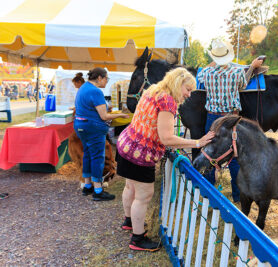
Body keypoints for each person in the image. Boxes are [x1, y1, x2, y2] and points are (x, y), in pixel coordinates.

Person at [116, 67, 214, 252]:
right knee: (143, 196)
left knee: (130, 187)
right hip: (141, 153)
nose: (189, 94)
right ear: (178, 84)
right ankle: (137, 238)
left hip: (127, 143)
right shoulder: (168, 102)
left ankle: (129, 221)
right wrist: (197, 142)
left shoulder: (153, 90)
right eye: (188, 89)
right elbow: (167, 138)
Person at [197, 38, 264, 203]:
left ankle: (209, 195)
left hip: (212, 118)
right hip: (230, 119)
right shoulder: (236, 73)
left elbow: (202, 73)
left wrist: (215, 60)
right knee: (234, 154)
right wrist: (253, 67)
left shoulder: (206, 74)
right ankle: (237, 195)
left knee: (210, 152)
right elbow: (244, 83)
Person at [74, 67, 129, 201]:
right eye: (106, 79)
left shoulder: (84, 87)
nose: (106, 82)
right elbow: (104, 116)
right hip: (93, 128)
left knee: (87, 154)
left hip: (81, 126)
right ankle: (98, 190)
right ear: (99, 78)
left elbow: (90, 107)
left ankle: (87, 186)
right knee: (98, 157)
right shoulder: (96, 91)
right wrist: (121, 114)